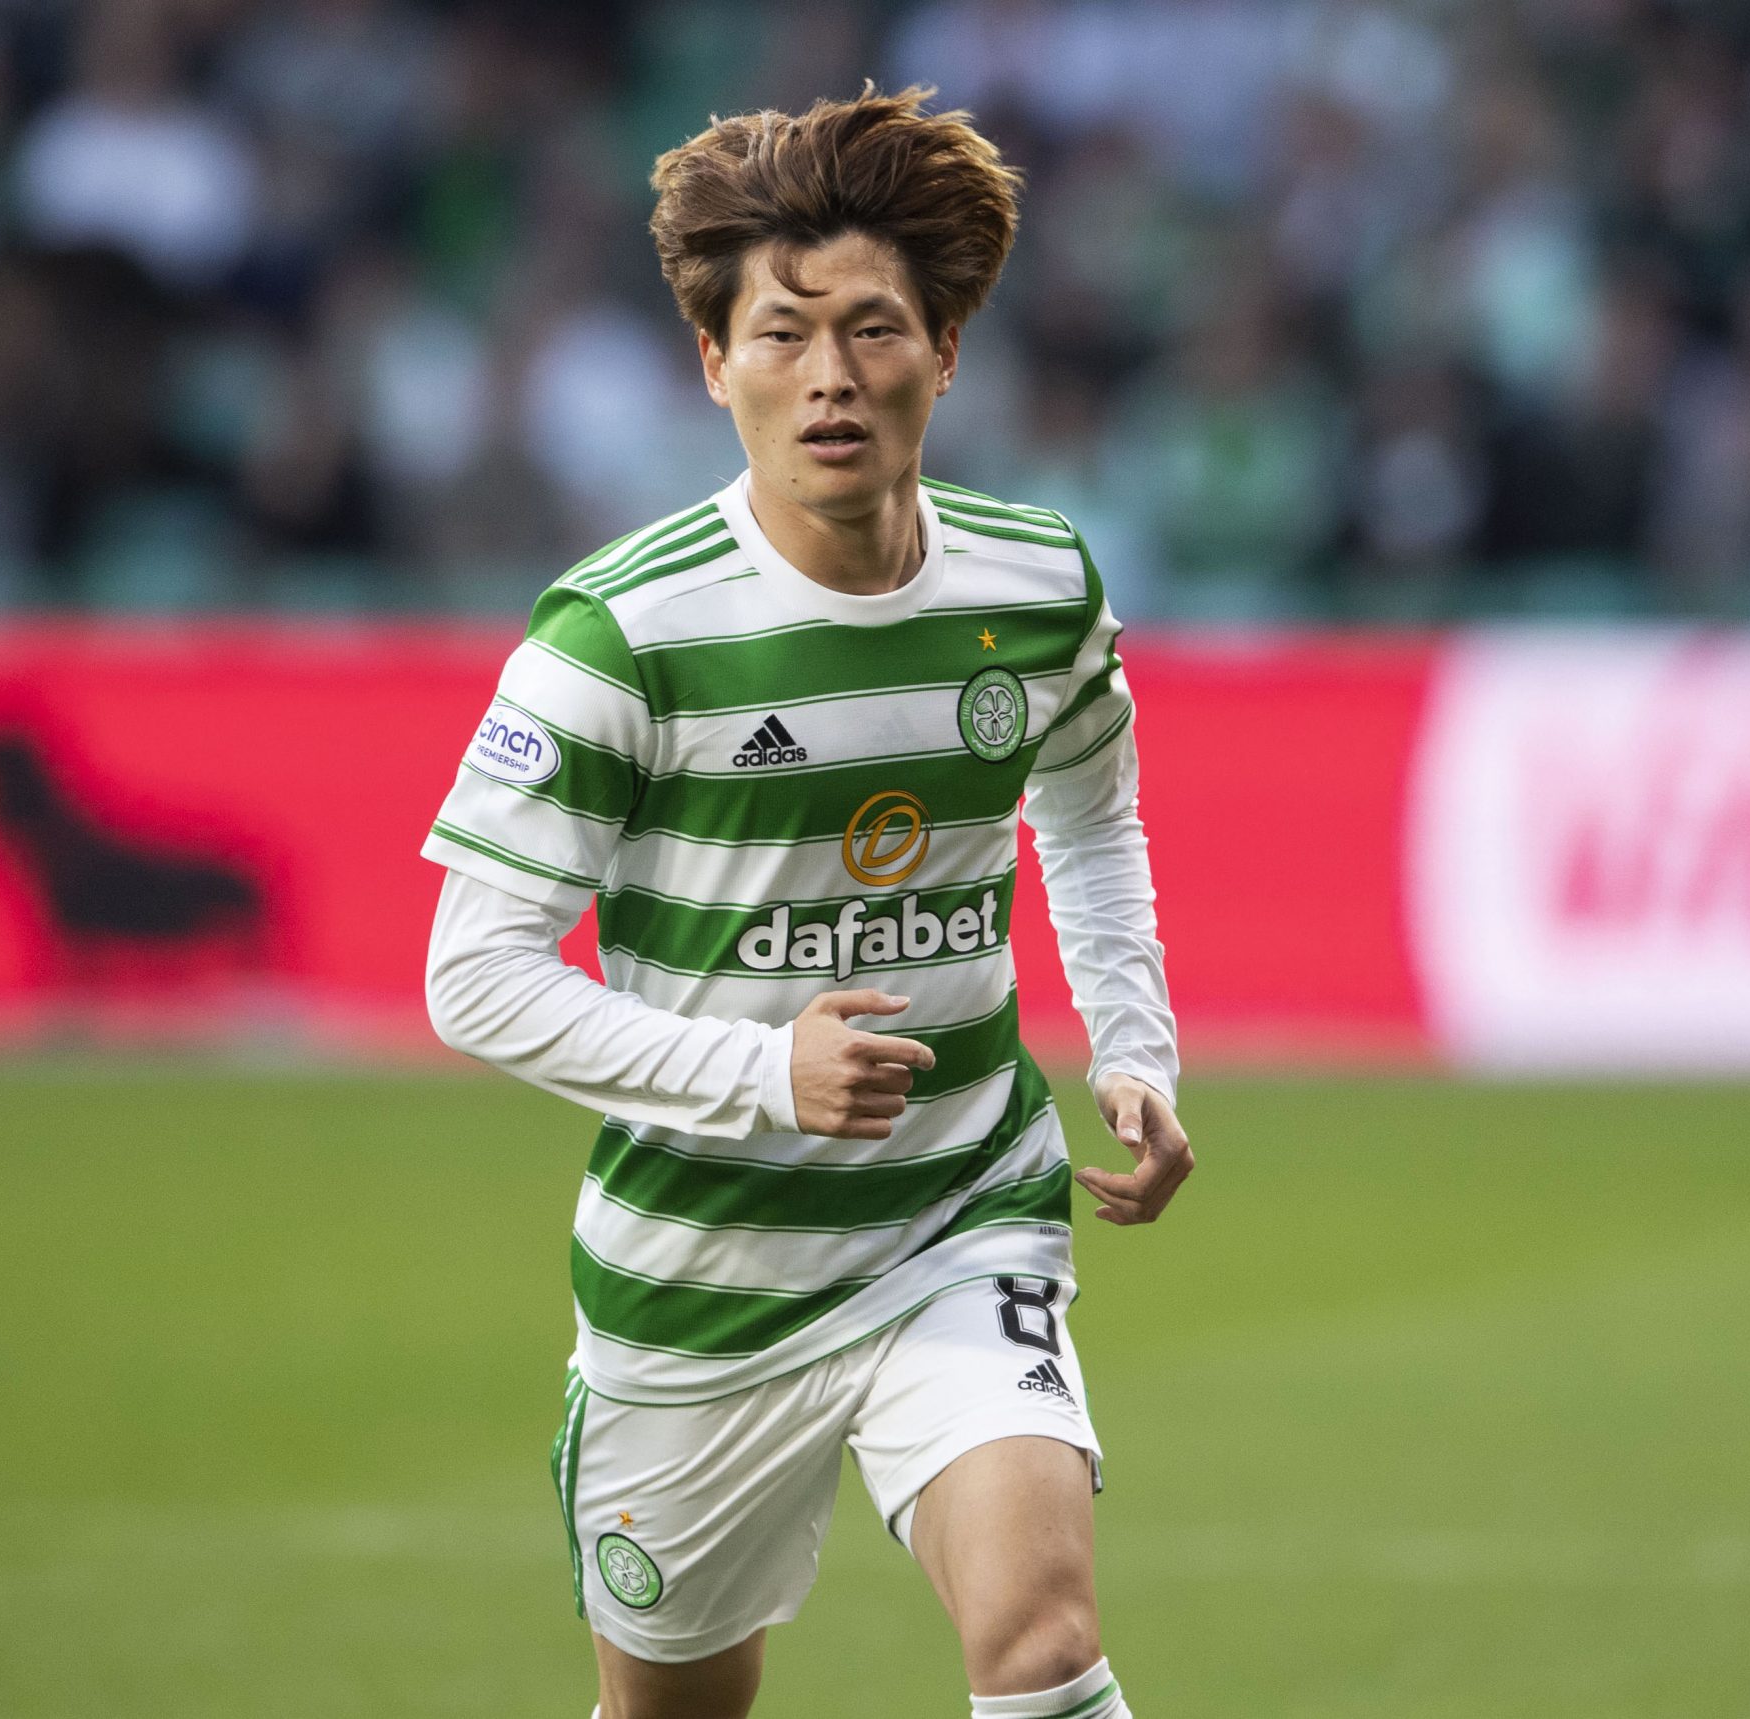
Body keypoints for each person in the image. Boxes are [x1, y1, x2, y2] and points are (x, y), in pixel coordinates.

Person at [423, 85, 1190, 1719]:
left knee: (1044, 1644)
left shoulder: (1037, 585)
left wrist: (1134, 1046)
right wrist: (768, 1073)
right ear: (715, 365)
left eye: (872, 329)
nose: (829, 374)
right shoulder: (619, 638)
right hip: (698, 1282)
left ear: (946, 352)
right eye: (781, 335)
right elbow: (472, 976)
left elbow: (1091, 813)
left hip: (959, 1214)